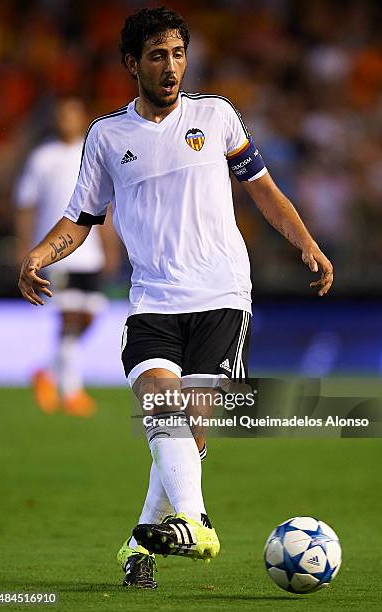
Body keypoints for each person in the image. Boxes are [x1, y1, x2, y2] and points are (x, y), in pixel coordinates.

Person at [18, 7, 333, 589]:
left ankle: (140, 545)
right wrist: (40, 255)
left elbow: (262, 189)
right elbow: (80, 218)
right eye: (158, 55)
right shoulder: (107, 136)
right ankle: (199, 523)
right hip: (152, 301)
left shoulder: (215, 116)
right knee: (161, 409)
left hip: (220, 295)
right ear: (130, 63)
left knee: (186, 432)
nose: (171, 67)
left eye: (178, 54)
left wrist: (306, 243)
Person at [15, 97, 119, 417]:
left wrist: (110, 246)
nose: (66, 120)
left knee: (89, 315)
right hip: (57, 251)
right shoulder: (43, 157)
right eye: (61, 115)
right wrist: (26, 248)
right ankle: (72, 391)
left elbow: (105, 206)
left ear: (82, 118)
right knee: (70, 317)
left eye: (72, 114)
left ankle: (47, 372)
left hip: (90, 253)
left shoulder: (93, 154)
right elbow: (26, 205)